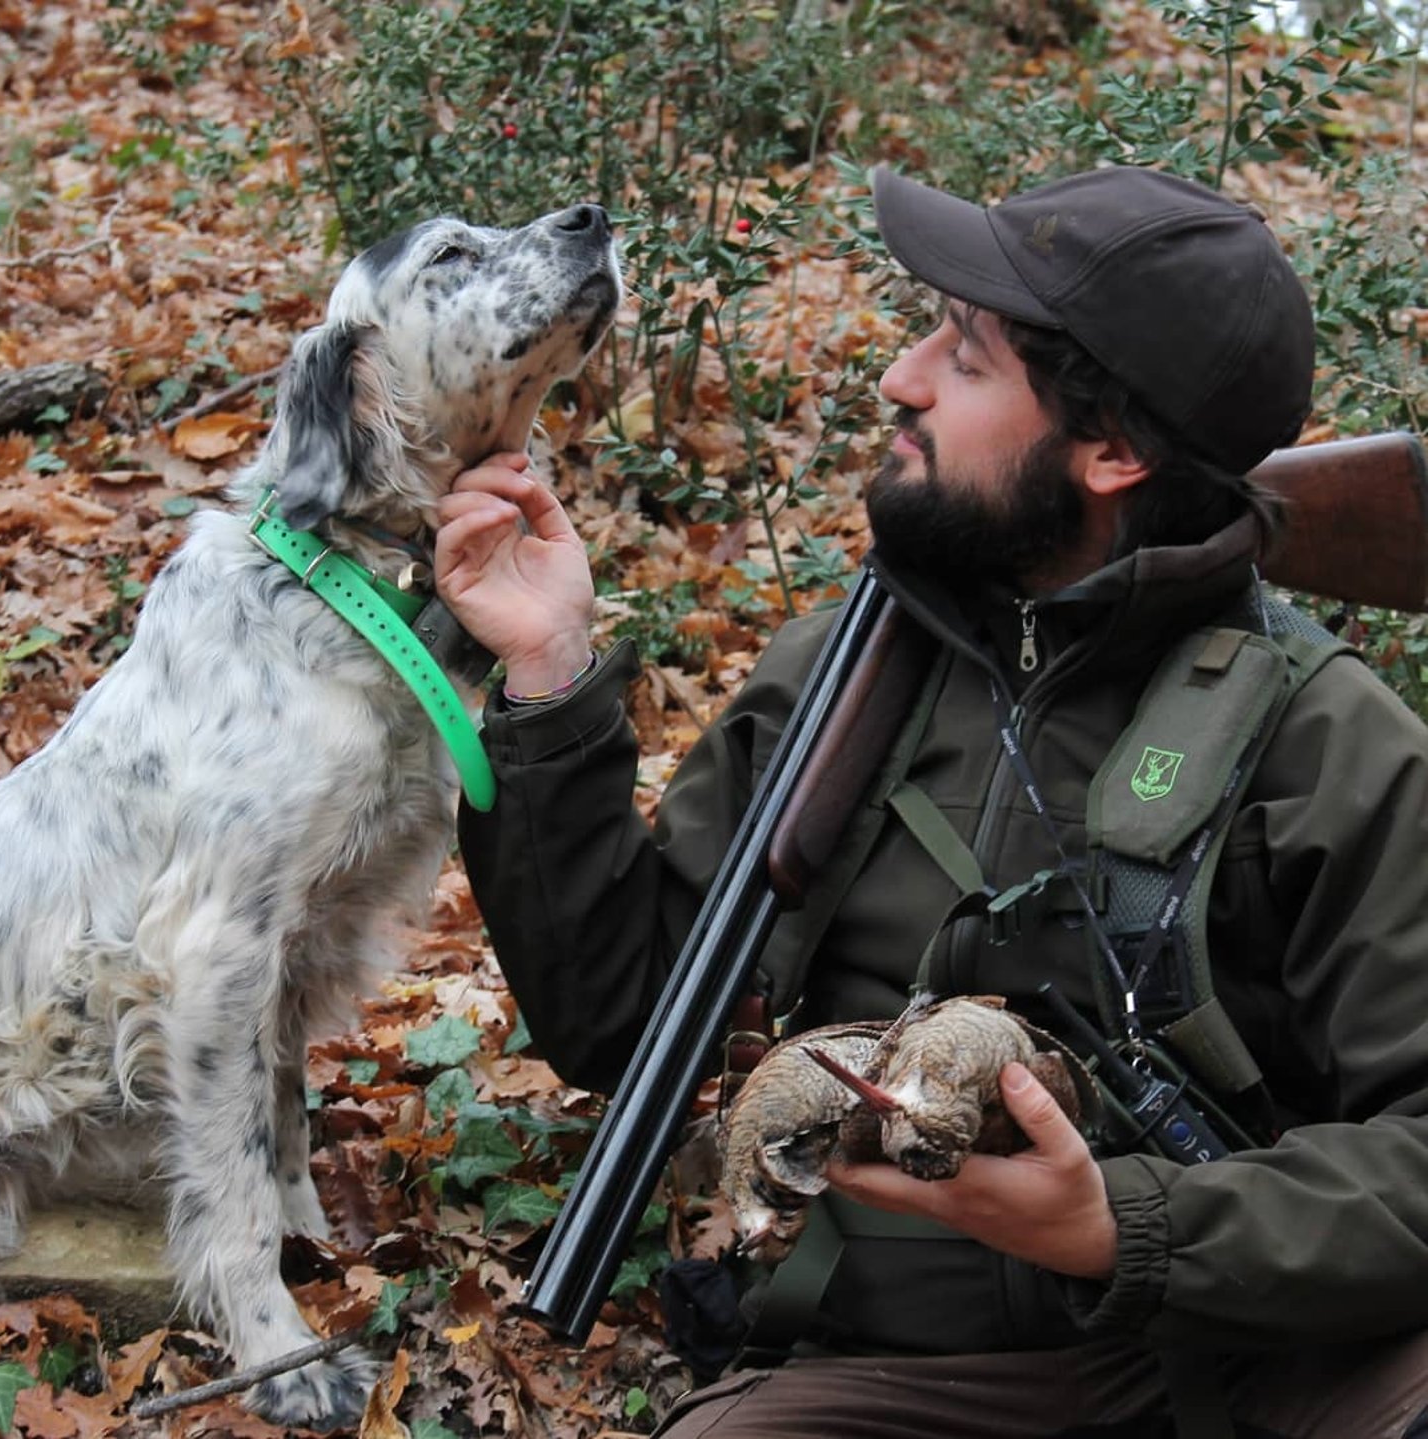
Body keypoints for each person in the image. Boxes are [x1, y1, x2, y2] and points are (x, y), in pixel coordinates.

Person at [433, 165, 1428, 1439]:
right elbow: (623, 1021)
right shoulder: (839, 677)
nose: (900, 378)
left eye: (961, 359)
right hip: (920, 1373)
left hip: (1266, 1356)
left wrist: (1123, 1223)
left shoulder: (1326, 733)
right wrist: (548, 674)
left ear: (1113, 452)